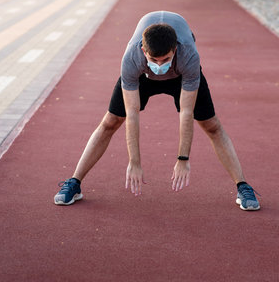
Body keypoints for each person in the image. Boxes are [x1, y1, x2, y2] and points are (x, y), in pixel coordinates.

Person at [54, 11, 260, 211]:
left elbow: (186, 113)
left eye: (165, 59)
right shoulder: (131, 59)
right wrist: (134, 162)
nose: (160, 65)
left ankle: (243, 186)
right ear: (144, 51)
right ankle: (74, 182)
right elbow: (132, 113)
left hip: (180, 75)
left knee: (212, 126)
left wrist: (183, 159)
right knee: (111, 121)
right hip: (143, 77)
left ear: (175, 50)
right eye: (154, 60)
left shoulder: (189, 56)